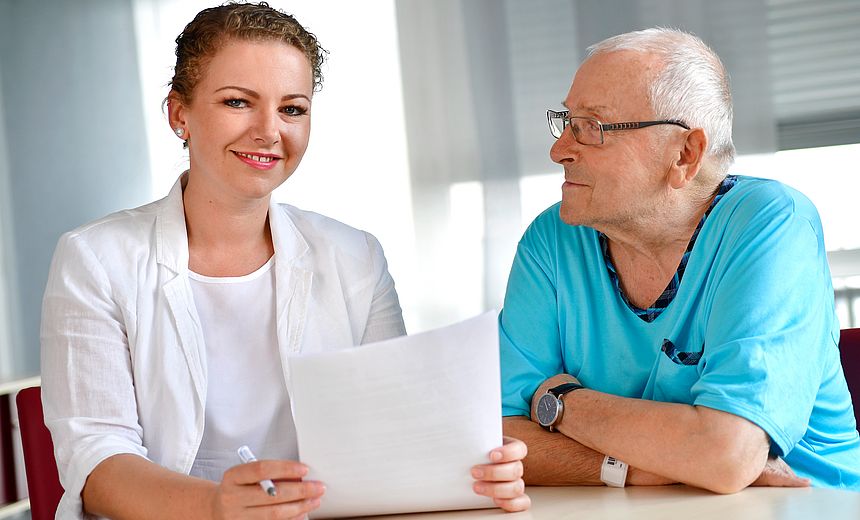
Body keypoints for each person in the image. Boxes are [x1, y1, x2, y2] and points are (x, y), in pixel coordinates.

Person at [41, 3, 529, 518]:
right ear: (179, 114)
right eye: (237, 102)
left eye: (292, 109)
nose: (269, 131)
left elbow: (391, 434)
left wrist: (476, 472)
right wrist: (220, 507)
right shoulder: (95, 259)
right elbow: (97, 465)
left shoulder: (355, 257)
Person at [499, 27, 860, 493]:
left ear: (685, 154)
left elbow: (726, 455)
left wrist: (562, 401)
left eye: (592, 127)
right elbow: (502, 442)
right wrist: (644, 470)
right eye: (566, 121)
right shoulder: (552, 240)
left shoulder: (770, 222)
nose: (559, 149)